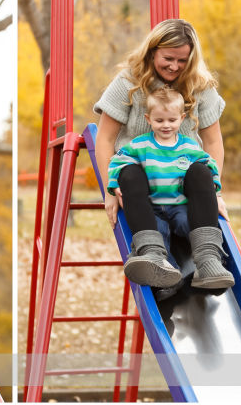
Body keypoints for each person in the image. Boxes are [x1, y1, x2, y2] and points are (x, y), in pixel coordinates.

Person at [94, 18, 229, 293]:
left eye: (182, 60)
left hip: (181, 179)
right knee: (128, 172)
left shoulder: (200, 85)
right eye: (168, 58)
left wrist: (214, 192)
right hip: (141, 177)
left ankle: (207, 260)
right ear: (152, 50)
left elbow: (213, 141)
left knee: (202, 171)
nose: (174, 66)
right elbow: (105, 137)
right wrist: (109, 189)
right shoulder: (129, 81)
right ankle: (152, 255)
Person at [107, 86, 233, 289]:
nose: (166, 125)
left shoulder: (189, 147)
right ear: (148, 119)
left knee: (191, 215)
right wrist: (113, 187)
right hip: (152, 210)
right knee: (158, 234)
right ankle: (165, 275)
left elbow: (209, 164)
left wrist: (215, 192)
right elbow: (118, 162)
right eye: (159, 120)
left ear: (182, 118)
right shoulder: (140, 145)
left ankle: (207, 261)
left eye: (172, 120)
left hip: (180, 208)